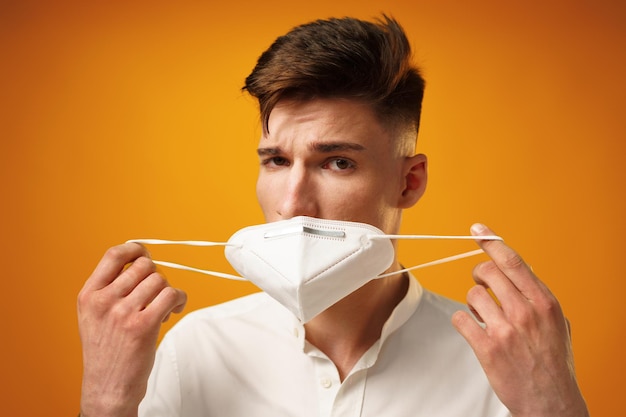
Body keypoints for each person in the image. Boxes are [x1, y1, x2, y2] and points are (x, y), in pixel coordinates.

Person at [77, 15, 589, 417]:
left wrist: (553, 409)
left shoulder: (502, 364)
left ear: (408, 182)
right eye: (277, 161)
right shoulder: (194, 350)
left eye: (337, 163)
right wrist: (105, 404)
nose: (293, 201)